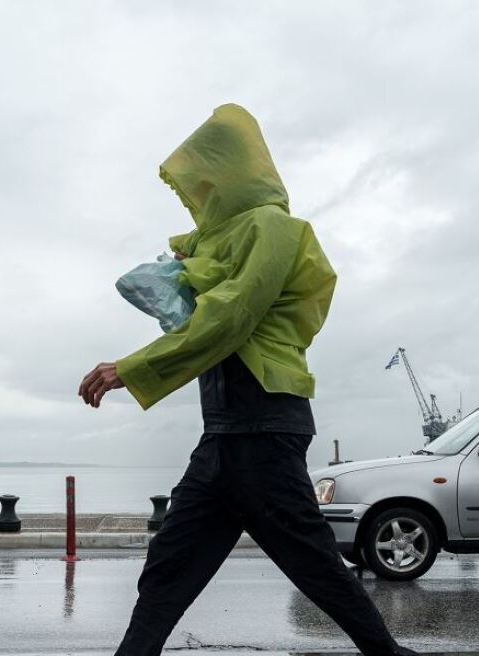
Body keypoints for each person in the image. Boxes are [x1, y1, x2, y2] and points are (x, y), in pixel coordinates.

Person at [78, 104, 418, 656]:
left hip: (265, 428)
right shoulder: (219, 242)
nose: (199, 193)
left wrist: (132, 369)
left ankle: (388, 653)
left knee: (313, 565)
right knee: (170, 565)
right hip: (224, 433)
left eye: (207, 180)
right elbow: (205, 302)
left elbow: (230, 316)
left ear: (235, 171)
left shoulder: (274, 229)